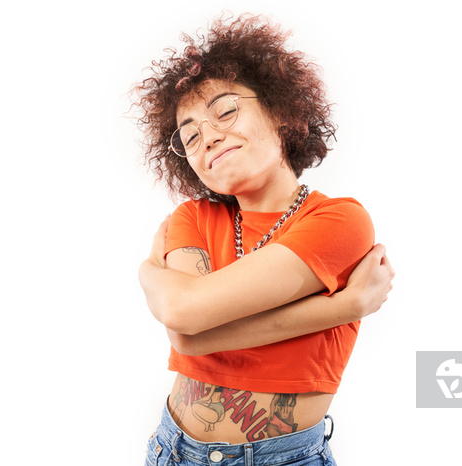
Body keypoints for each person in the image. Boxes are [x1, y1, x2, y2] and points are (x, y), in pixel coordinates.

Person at [132, 13, 394, 465]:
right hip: (174, 450)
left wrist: (155, 278)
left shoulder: (339, 221)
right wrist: (343, 307)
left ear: (279, 110)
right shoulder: (194, 217)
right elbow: (185, 324)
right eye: (189, 135)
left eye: (226, 111)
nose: (208, 137)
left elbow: (187, 329)